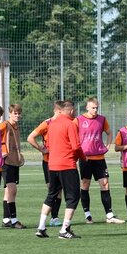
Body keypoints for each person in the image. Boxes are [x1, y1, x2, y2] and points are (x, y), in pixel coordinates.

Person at [35, 100, 84, 239]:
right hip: (67, 165)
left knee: (51, 195)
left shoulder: (52, 124)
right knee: (73, 196)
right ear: (71, 111)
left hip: (52, 165)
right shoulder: (70, 124)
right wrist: (83, 157)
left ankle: (41, 227)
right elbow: (76, 146)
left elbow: (48, 145)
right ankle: (64, 229)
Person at [75, 98, 124, 224]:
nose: (95, 110)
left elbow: (109, 133)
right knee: (85, 184)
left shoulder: (102, 119)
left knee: (105, 183)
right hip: (85, 158)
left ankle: (109, 215)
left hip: (99, 158)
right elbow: (72, 135)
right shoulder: (79, 120)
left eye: (96, 107)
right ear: (87, 107)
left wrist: (107, 146)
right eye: (92, 107)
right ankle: (87, 214)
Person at [27, 102, 63, 227]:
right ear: (58, 111)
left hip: (60, 161)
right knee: (52, 190)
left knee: (59, 191)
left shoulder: (64, 123)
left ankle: (54, 218)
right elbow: (30, 137)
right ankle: (48, 218)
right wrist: (41, 149)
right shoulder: (47, 123)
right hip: (49, 162)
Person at [0, 104, 26, 229]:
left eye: (19, 113)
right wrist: (0, 152)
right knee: (12, 190)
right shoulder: (4, 125)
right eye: (15, 113)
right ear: (9, 113)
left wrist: (19, 155)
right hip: (6, 162)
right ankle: (14, 220)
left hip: (14, 162)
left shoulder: (16, 127)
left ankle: (6, 219)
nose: (17, 115)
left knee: (8, 192)